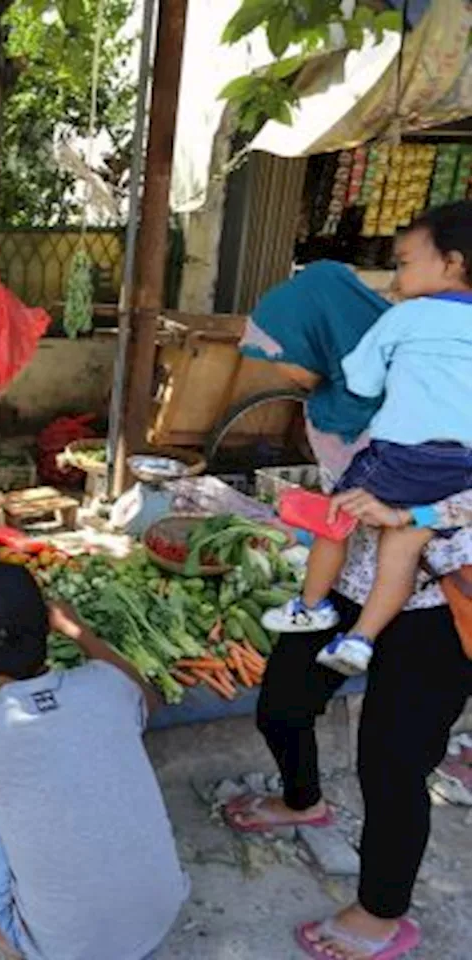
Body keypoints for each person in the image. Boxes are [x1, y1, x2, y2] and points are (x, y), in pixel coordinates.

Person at [222, 254, 473, 959]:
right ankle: (303, 799)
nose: (277, 367)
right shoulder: (333, 400)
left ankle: (381, 914)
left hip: (433, 600)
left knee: (392, 765)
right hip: (348, 583)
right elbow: (344, 492)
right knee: (283, 701)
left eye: (281, 352)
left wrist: (410, 511)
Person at [0, 561, 187, 960]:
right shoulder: (105, 687)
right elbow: (146, 698)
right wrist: (79, 631)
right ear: (50, 625)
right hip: (160, 914)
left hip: (68, 948)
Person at [262, 202, 473, 676]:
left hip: (402, 456)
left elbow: (361, 381)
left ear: (452, 263)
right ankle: (360, 639)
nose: (397, 275)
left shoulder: (408, 318)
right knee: (401, 545)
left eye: (403, 262)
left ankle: (313, 605)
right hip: (463, 467)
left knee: (337, 515)